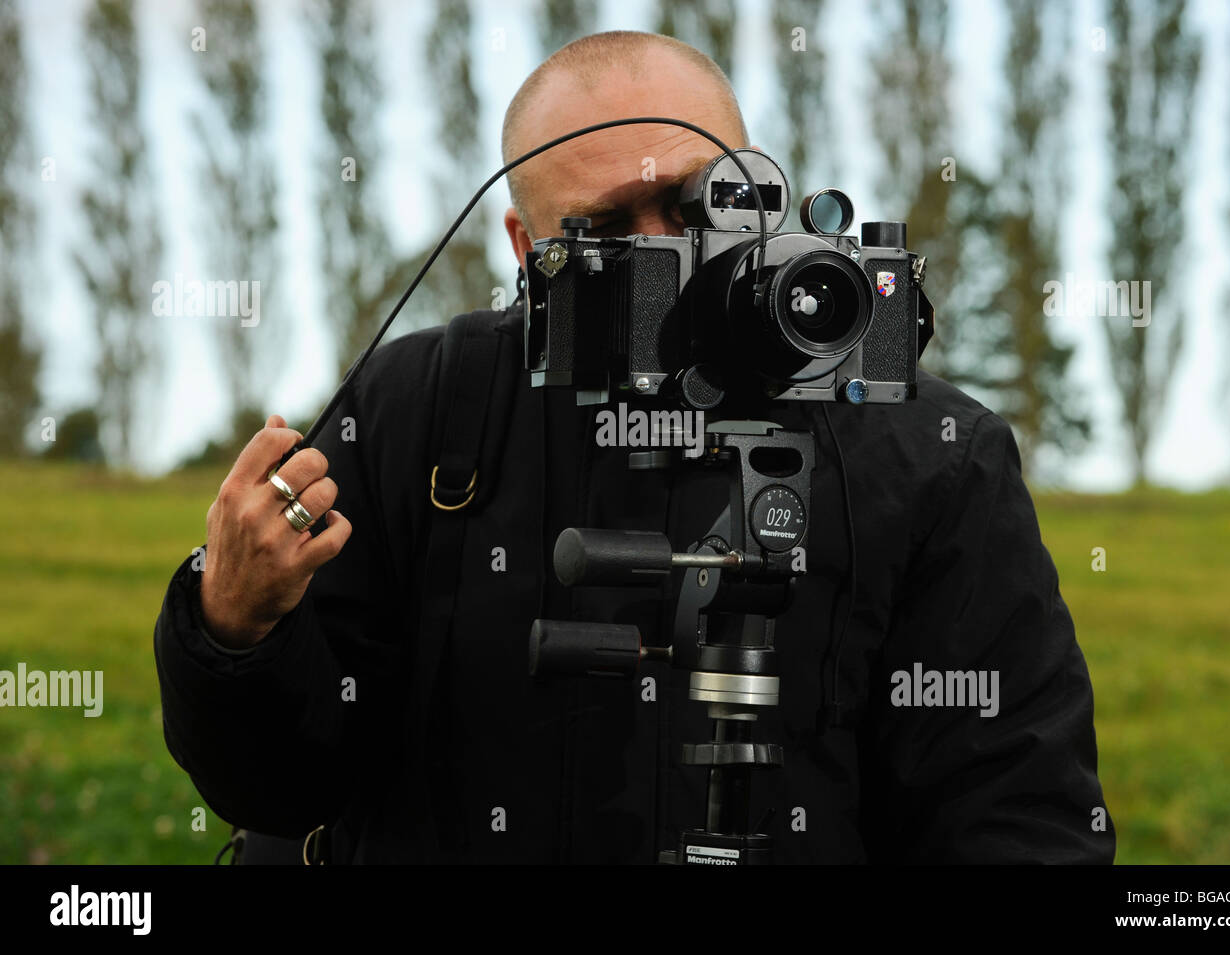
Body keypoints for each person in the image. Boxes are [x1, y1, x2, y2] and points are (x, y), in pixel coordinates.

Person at [153, 30, 1115, 864]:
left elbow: (1013, 814)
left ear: (766, 192)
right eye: (610, 227)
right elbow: (282, 786)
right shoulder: (426, 406)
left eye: (701, 205)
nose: (669, 254)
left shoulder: (932, 451)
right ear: (528, 250)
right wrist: (232, 628)